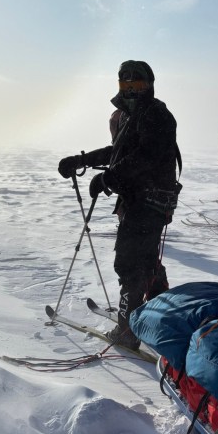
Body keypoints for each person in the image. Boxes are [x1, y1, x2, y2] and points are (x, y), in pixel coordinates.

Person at [57, 60, 181, 349]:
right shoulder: (131, 115)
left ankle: (128, 330)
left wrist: (108, 178)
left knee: (129, 263)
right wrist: (82, 160)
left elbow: (146, 156)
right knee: (145, 259)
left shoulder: (156, 114)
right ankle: (157, 313)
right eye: (125, 83)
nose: (131, 89)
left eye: (137, 83)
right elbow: (119, 151)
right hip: (140, 199)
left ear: (149, 85)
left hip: (150, 200)